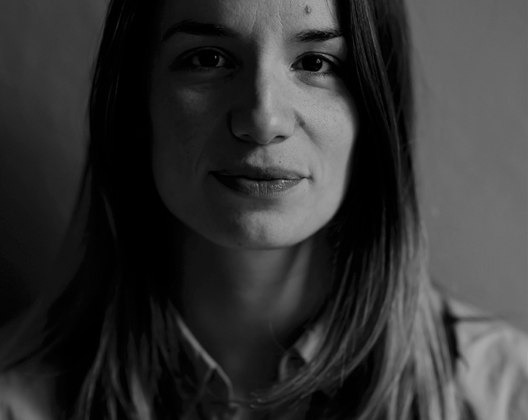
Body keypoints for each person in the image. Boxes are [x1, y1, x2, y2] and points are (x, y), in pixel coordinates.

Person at [1, 0, 527, 419]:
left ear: (374, 113)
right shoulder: (18, 402)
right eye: (208, 59)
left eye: (315, 62)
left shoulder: (506, 398)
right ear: (137, 105)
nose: (263, 118)